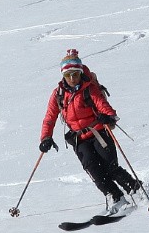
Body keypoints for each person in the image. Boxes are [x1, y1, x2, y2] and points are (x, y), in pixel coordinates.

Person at [39, 49, 143, 210]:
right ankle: (116, 197)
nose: (72, 78)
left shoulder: (89, 89)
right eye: (68, 75)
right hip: (79, 139)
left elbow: (103, 105)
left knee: (111, 167)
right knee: (93, 170)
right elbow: (49, 117)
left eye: (75, 74)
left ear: (80, 72)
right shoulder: (58, 94)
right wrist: (46, 138)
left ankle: (136, 190)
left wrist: (108, 117)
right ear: (63, 76)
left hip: (99, 133)